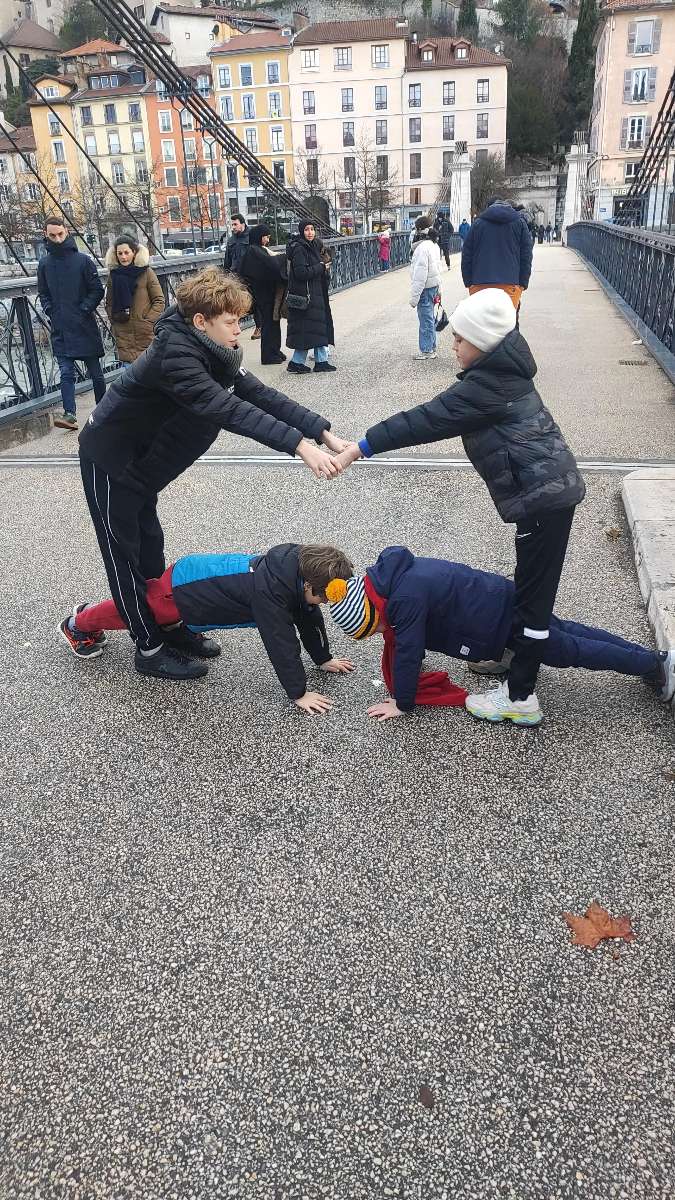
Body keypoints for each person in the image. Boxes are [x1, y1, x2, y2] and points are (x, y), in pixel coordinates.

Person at [77, 266, 349, 682]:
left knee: (151, 549)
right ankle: (148, 648)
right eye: (231, 322)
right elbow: (228, 409)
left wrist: (321, 432)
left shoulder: (215, 349)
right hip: (110, 460)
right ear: (202, 321)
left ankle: (168, 626)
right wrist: (299, 447)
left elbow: (258, 394)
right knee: (124, 558)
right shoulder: (176, 356)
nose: (239, 330)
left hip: (142, 465)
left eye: (241, 320)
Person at [332, 288, 586, 725]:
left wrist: (360, 448)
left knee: (534, 604)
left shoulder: (485, 387)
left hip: (545, 500)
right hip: (547, 496)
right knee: (529, 593)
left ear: (483, 342)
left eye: (460, 338)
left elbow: (424, 420)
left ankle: (521, 696)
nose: (452, 344)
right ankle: (514, 656)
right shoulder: (500, 373)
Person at [323, 547, 675, 723]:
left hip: (501, 624)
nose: (384, 633)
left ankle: (654, 666)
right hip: (501, 600)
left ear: (372, 611)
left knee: (568, 649)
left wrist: (401, 702)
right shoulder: (392, 578)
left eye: (376, 628)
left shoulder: (404, 602)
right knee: (568, 630)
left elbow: (409, 650)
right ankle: (650, 657)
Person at [59, 542, 356, 714]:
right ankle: (78, 623)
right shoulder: (271, 595)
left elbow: (309, 617)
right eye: (322, 597)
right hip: (184, 589)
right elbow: (281, 643)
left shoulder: (295, 571)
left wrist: (323, 658)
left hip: (197, 585)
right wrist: (299, 693)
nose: (321, 604)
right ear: (307, 585)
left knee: (150, 612)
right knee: (135, 611)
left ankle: (173, 631)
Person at [37, 216, 106, 432]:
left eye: (60, 234)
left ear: (66, 231)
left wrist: (83, 309)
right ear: (46, 235)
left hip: (83, 324)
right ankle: (69, 415)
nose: (57, 239)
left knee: (96, 373)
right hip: (61, 326)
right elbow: (43, 293)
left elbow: (97, 290)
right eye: (52, 235)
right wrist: (50, 310)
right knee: (66, 372)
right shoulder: (44, 264)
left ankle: (104, 410)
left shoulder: (83, 261)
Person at [461, 198, 532, 310]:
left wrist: (468, 282)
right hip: (510, 283)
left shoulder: (477, 224)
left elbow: (467, 254)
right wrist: (523, 283)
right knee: (508, 319)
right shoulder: (520, 223)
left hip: (479, 284)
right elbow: (526, 256)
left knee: (480, 319)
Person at [286, 219, 336, 375]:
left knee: (314, 329)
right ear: (302, 231)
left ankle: (316, 362)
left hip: (314, 293)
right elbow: (301, 273)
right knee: (310, 330)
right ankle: (302, 362)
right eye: (307, 229)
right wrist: (320, 267)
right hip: (306, 295)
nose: (310, 232)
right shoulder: (299, 249)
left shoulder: (312, 245)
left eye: (312, 229)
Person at [105, 236, 165, 364]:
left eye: (127, 252)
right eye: (120, 253)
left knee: (150, 369)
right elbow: (109, 303)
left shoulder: (146, 272)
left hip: (145, 332)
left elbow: (159, 300)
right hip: (123, 330)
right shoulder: (113, 276)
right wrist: (114, 321)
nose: (123, 257)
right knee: (129, 371)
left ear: (134, 252)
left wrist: (148, 321)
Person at [240, 224, 286, 365]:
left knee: (274, 321)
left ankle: (275, 350)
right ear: (260, 237)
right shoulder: (254, 251)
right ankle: (268, 355)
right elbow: (272, 265)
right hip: (263, 294)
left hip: (266, 292)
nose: (267, 240)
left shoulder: (257, 250)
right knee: (269, 323)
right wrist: (284, 257)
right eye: (266, 237)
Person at [410, 217, 442, 362]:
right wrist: (439, 288)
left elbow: (420, 275)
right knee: (430, 318)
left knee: (425, 320)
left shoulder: (422, 248)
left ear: (418, 230)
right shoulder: (434, 245)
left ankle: (427, 350)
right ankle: (431, 347)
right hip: (433, 286)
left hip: (425, 288)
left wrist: (414, 298)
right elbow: (438, 269)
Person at [223, 213, 260, 339]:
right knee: (235, 302)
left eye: (235, 224)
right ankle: (233, 327)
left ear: (242, 224)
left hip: (251, 275)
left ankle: (259, 326)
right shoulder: (231, 240)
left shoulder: (252, 237)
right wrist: (225, 275)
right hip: (235, 276)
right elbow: (227, 259)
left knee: (255, 301)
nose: (233, 227)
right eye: (232, 225)